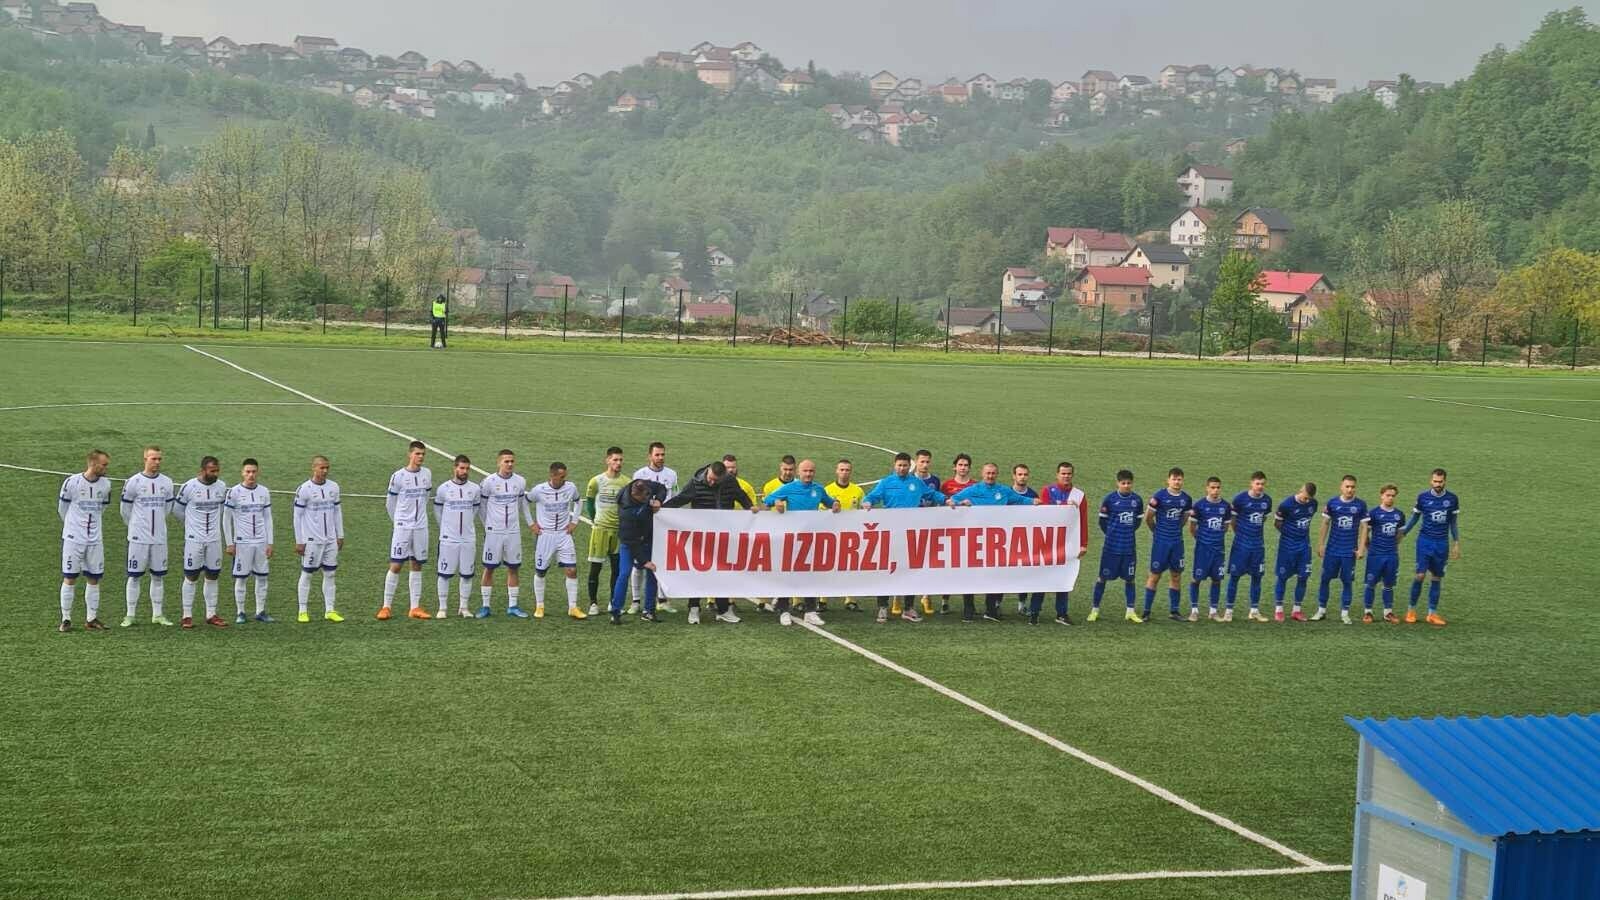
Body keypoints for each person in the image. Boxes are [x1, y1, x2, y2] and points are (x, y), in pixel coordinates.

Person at [861, 452, 947, 624]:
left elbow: (932, 494)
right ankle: (883, 607)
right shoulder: (886, 482)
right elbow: (872, 496)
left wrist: (947, 500)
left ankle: (908, 608)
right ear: (894, 465)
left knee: (910, 570)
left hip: (911, 534)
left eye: (905, 465)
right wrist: (867, 502)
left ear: (910, 466)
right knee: (886, 569)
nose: (902, 468)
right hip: (891, 534)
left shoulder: (916, 483)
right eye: (899, 465)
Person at [662, 459, 750, 624]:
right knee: (698, 572)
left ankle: (723, 609)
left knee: (722, 571)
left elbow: (740, 495)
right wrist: (661, 509)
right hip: (701, 536)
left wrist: (750, 507)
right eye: (710, 479)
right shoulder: (696, 482)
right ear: (708, 471)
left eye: (716, 481)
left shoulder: (730, 481)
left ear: (723, 477)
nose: (712, 483)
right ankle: (694, 608)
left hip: (723, 535)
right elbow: (681, 499)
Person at [762, 459, 840, 626]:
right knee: (787, 574)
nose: (808, 474)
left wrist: (835, 504)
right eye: (805, 471)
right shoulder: (789, 488)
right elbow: (767, 500)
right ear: (798, 472)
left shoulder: (818, 489)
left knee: (810, 575)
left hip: (811, 539)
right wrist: (776, 502)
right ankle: (784, 610)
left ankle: (810, 611)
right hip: (791, 539)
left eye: (811, 471)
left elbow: (830, 502)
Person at [951, 463, 1032, 622]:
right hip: (974, 539)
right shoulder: (973, 490)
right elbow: (953, 500)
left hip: (995, 541)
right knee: (971, 574)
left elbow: (1021, 499)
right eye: (988, 473)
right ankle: (968, 609)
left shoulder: (1003, 491)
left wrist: (1035, 501)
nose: (990, 476)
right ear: (982, 474)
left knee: (994, 574)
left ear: (997, 474)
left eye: (993, 473)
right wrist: (961, 504)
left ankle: (990, 609)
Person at [121, 445, 176, 627]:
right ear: (145, 459)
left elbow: (167, 508)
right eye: (154, 459)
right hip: (138, 538)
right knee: (134, 576)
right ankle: (130, 615)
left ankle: (157, 614)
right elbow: (125, 510)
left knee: (158, 576)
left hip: (159, 538)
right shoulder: (133, 482)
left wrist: (158, 525)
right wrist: (135, 527)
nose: (157, 462)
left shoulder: (167, 482)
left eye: (159, 459)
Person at [58, 449, 112, 632]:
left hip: (95, 540)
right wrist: (73, 528)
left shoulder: (106, 485)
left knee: (94, 578)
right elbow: (62, 509)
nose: (106, 468)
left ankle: (91, 618)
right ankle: (66, 619)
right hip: (74, 539)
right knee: (70, 577)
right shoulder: (72, 482)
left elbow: (102, 508)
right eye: (104, 465)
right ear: (93, 464)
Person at [378, 441, 433, 621]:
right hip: (403, 527)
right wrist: (398, 522)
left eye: (423, 454)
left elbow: (426, 497)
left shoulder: (427, 474)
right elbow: (390, 503)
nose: (421, 457)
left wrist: (418, 518)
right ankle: (386, 606)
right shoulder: (398, 476)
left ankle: (414, 607)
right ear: (410, 454)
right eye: (417, 454)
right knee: (396, 565)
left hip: (420, 527)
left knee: (417, 564)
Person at [176, 455, 230, 629]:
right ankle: (186, 615)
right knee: (191, 576)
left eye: (217, 470)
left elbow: (223, 510)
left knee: (213, 575)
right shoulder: (189, 487)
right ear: (202, 470)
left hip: (214, 539)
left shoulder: (221, 487)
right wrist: (191, 526)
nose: (215, 474)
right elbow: (177, 510)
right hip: (194, 540)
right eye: (212, 471)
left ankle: (211, 614)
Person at [292, 455, 345, 623]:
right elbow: (297, 516)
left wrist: (340, 535)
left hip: (330, 540)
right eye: (322, 468)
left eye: (327, 468)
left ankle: (330, 610)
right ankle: (302, 611)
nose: (325, 471)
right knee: (307, 574)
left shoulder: (334, 487)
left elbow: (337, 512)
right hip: (311, 540)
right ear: (313, 468)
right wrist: (299, 540)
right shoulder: (304, 489)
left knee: (330, 574)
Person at [478, 449, 531, 618]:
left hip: (513, 531)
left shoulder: (520, 481)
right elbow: (482, 506)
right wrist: (488, 525)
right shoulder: (489, 482)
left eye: (512, 461)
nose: (509, 464)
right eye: (506, 461)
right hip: (494, 532)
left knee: (513, 567)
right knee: (489, 567)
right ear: (499, 462)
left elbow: (522, 504)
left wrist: (529, 523)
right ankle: (485, 606)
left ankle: (513, 606)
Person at [528, 461, 584, 620]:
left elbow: (579, 501)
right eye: (561, 477)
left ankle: (573, 607)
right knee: (541, 571)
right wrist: (531, 524)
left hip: (564, 535)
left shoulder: (570, 488)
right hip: (545, 535)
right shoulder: (539, 490)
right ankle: (539, 605)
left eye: (565, 476)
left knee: (572, 570)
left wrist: (575, 521)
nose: (564, 479)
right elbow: (525, 501)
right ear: (552, 476)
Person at [1405, 468, 1460, 626]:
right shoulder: (1423, 497)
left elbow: (1453, 523)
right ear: (1431, 481)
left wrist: (1456, 542)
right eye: (1435, 481)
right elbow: (1414, 518)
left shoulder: (1452, 499)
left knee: (1436, 577)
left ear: (1445, 481)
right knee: (1420, 575)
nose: (1437, 484)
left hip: (1442, 543)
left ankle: (1432, 614)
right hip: (1425, 541)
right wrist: (1403, 533)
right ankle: (1411, 610)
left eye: (1440, 482)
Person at [1037, 461, 1089, 625]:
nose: (1066, 476)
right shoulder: (1047, 491)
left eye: (1069, 474)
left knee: (1064, 578)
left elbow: (1083, 520)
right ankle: (1034, 612)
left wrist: (1083, 543)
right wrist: (1065, 506)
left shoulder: (1079, 495)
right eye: (1063, 473)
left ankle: (1061, 613)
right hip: (1047, 542)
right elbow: (1044, 513)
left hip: (1067, 544)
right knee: (1041, 577)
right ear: (1057, 474)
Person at [223, 458, 274, 623]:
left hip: (260, 542)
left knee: (262, 577)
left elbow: (268, 518)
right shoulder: (234, 492)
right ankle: (240, 612)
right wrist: (229, 543)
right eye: (248, 472)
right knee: (241, 577)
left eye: (253, 472)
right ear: (242, 473)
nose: (251, 475)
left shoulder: (264, 492)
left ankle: (260, 611)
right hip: (242, 542)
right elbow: (226, 519)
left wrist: (270, 542)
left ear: (258, 472)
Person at [631, 442, 679, 613]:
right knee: (639, 562)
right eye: (657, 455)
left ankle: (662, 600)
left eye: (662, 454)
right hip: (644, 524)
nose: (660, 458)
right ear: (649, 456)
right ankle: (636, 601)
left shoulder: (672, 474)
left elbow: (675, 496)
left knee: (662, 562)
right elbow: (634, 499)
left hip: (664, 524)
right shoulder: (640, 474)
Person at [611, 478, 666, 624]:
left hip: (647, 538)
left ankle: (649, 610)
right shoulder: (626, 511)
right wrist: (644, 561)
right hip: (630, 543)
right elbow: (630, 540)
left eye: (648, 495)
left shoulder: (643, 485)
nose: (647, 499)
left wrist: (659, 500)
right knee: (624, 574)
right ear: (635, 495)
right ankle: (616, 611)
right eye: (644, 498)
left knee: (653, 573)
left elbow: (661, 487)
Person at [433, 454, 481, 618]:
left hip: (468, 538)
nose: (464, 471)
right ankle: (442, 608)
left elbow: (475, 509)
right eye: (461, 468)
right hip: (448, 539)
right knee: (444, 573)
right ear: (455, 468)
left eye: (467, 468)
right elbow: (437, 510)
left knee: (467, 574)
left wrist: (467, 526)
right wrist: (445, 528)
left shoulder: (475, 489)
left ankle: (464, 607)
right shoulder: (443, 488)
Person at [1316, 475, 1368, 624]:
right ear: (1341, 487)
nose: (1350, 489)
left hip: (1349, 551)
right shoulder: (1332, 503)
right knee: (1325, 579)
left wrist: (1361, 549)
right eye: (1347, 486)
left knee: (1347, 581)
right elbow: (1325, 523)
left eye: (1353, 487)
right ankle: (1321, 610)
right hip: (1332, 550)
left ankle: (1345, 613)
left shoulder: (1360, 505)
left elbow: (1364, 527)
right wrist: (1321, 544)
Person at [583, 447, 629, 617]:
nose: (618, 463)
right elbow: (589, 502)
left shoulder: (627, 482)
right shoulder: (596, 481)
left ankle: (613, 602)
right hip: (600, 530)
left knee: (617, 568)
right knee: (596, 567)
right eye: (615, 459)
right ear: (607, 460)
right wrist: (595, 519)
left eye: (620, 460)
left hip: (618, 531)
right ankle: (593, 603)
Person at [1093, 470, 1143, 623]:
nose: (1126, 486)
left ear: (1132, 483)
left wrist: (1126, 532)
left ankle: (1130, 611)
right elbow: (1102, 522)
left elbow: (1137, 522)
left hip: (1128, 548)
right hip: (1111, 548)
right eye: (1123, 483)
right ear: (1118, 483)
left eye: (1129, 483)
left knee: (1130, 579)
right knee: (1102, 578)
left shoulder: (1137, 500)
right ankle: (1094, 610)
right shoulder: (1109, 499)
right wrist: (1112, 534)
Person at [1144, 468, 1194, 622]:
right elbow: (1148, 518)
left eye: (1179, 479)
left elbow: (1184, 518)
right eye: (1174, 479)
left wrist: (1175, 530)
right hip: (1161, 543)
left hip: (1177, 542)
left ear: (1182, 481)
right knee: (1155, 575)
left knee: (1176, 575)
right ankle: (1146, 611)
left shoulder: (1186, 499)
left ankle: (1174, 611)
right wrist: (1157, 532)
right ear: (1168, 480)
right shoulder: (1159, 496)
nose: (1177, 482)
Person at [1226, 472, 1273, 622]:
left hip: (1258, 546)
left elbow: (1263, 518)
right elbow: (1233, 520)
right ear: (1251, 483)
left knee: (1257, 577)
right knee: (1234, 577)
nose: (1260, 486)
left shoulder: (1267, 500)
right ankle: (1229, 611)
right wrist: (1241, 534)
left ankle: (1254, 610)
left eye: (1262, 484)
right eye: (1257, 483)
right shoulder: (1240, 499)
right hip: (1241, 545)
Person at [1188, 476, 1233, 622]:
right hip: (1203, 549)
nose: (1215, 490)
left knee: (1217, 579)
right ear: (1207, 488)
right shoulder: (1199, 505)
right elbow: (1192, 528)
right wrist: (1202, 540)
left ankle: (1213, 611)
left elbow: (1225, 527)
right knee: (1196, 579)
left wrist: (1215, 539)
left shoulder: (1226, 506)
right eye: (1213, 487)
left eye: (1218, 487)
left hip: (1218, 550)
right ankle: (1194, 610)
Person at [1272, 482, 1319, 622]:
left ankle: (1296, 610)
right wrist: (1290, 534)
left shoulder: (1313, 504)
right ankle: (1279, 610)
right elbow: (1277, 523)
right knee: (1282, 577)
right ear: (1301, 490)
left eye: (1309, 498)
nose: (1306, 501)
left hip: (1304, 546)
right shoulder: (1286, 504)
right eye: (1305, 497)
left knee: (1303, 577)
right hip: (1287, 546)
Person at [1360, 483, 1405, 624]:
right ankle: (1368, 612)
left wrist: (1394, 546)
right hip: (1375, 555)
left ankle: (1388, 612)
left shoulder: (1399, 515)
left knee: (1388, 584)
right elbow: (1365, 532)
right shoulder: (1373, 513)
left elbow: (1400, 534)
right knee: (1371, 583)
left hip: (1391, 555)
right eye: (1388, 495)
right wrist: (1368, 547)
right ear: (1382, 496)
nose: (1390, 498)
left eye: (1393, 496)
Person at [824, 459, 866, 612]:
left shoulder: (858, 491)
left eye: (847, 470)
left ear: (851, 472)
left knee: (851, 567)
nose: (844, 473)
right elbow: (821, 512)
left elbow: (864, 510)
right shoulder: (827, 490)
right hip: (832, 534)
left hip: (851, 536)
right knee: (827, 567)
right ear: (836, 471)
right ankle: (822, 599)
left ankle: (851, 599)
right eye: (841, 469)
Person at [938, 453, 976, 615]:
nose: (963, 468)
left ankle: (969, 605)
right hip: (951, 532)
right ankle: (945, 600)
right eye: (960, 465)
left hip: (970, 532)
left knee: (969, 568)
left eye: (966, 465)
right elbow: (941, 505)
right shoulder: (947, 485)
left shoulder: (975, 485)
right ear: (955, 467)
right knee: (949, 567)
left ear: (969, 468)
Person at [911, 449, 942, 615]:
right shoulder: (909, 479)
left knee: (929, 559)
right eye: (922, 461)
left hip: (929, 524)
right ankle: (898, 597)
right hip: (911, 524)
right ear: (916, 462)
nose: (924, 465)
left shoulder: (935, 480)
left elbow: (936, 499)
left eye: (927, 462)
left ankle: (925, 596)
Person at [1008, 464, 1039, 617]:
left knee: (1025, 571)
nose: (1022, 477)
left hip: (1025, 538)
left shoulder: (1033, 494)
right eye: (1019, 474)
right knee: (1003, 571)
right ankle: (996, 603)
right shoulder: (1006, 493)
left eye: (1025, 474)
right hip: (1007, 538)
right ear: (1014, 476)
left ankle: (1022, 604)